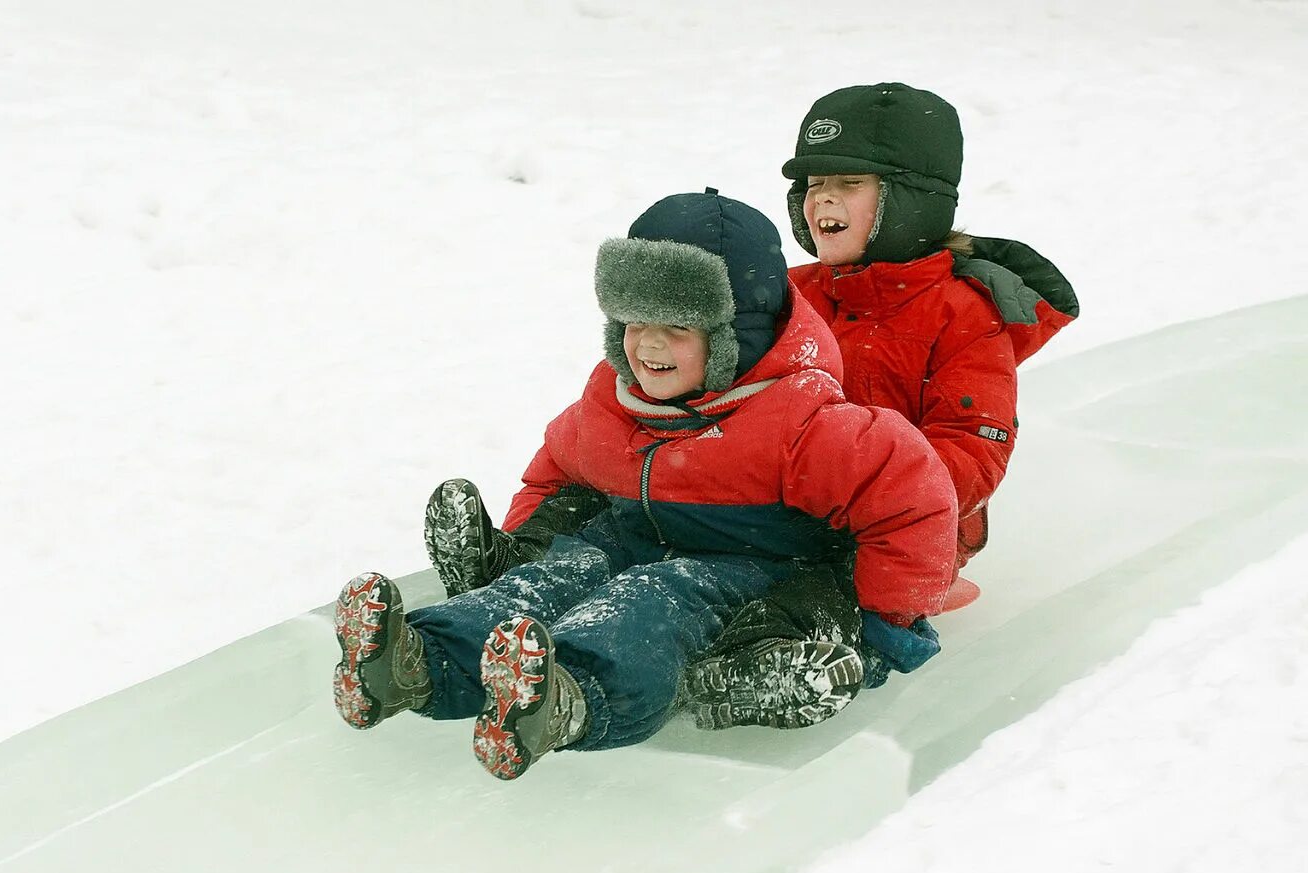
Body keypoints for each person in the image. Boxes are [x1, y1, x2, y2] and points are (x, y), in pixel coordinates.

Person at [423, 83, 1078, 729]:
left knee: (810, 583)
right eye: (813, 183)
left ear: (911, 200)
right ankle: (519, 561)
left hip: (890, 525)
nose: (823, 198)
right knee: (625, 478)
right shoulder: (786, 295)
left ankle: (765, 661)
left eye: (848, 183)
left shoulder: (965, 314)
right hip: (763, 493)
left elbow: (972, 448)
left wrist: (856, 481)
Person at [334, 190, 957, 780]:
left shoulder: (804, 426)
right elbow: (555, 470)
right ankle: (420, 662)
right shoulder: (613, 402)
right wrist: (527, 543)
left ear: (736, 339)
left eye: (678, 329)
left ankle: (566, 697)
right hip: (628, 535)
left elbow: (912, 501)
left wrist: (883, 625)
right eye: (633, 322)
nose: (648, 346)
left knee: (651, 599)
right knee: (556, 576)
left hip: (751, 561)